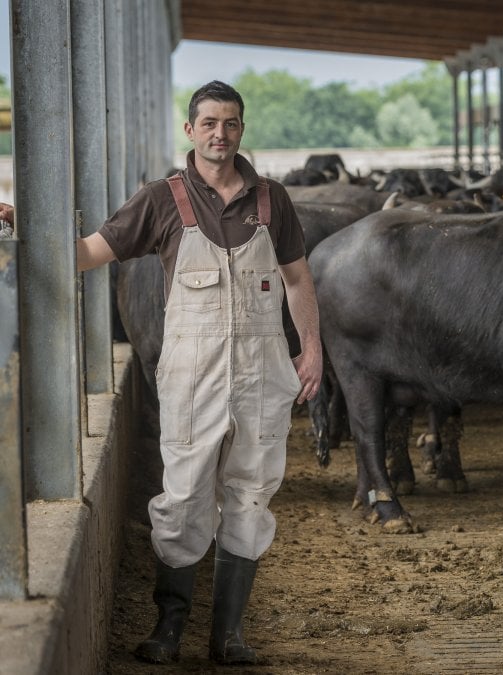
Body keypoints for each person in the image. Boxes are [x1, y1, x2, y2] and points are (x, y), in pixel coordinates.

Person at [76, 81, 321, 665]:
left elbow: (298, 280)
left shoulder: (272, 200)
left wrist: (311, 348)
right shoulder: (161, 200)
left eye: (231, 123)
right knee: (184, 496)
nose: (220, 134)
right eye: (209, 123)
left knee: (251, 495)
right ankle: (169, 627)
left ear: (242, 129)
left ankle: (229, 635)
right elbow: (89, 254)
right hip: (193, 376)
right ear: (190, 130)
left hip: (263, 375)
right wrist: (20, 229)